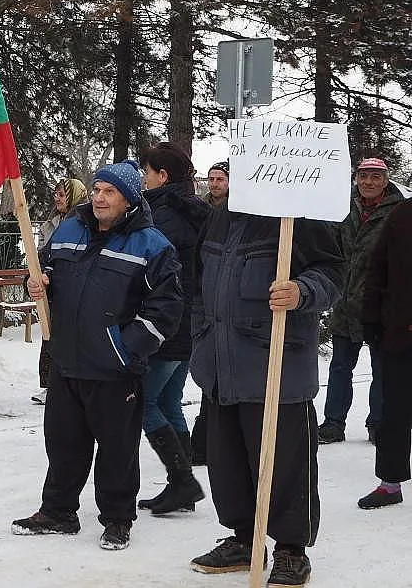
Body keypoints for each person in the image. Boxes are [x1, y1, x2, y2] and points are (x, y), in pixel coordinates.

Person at [12, 160, 183, 551]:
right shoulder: (71, 227)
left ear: (128, 198)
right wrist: (35, 281)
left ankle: (118, 518)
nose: (99, 198)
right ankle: (58, 511)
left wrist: (124, 348)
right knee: (63, 442)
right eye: (96, 190)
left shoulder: (152, 244)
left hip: (115, 369)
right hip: (67, 360)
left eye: (109, 191)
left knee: (117, 449)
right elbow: (44, 268)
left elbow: (167, 309)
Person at [188, 203, 343, 585]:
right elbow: (198, 280)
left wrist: (303, 291)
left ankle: (291, 550)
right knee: (228, 462)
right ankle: (244, 540)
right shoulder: (221, 215)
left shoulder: (298, 211)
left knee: (286, 465)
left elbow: (333, 271)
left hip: (277, 364)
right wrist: (199, 335)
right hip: (220, 363)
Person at [136, 143, 211, 514]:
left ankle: (182, 481)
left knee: (143, 403)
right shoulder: (199, 211)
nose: (142, 178)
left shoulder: (162, 215)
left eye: (146, 172)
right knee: (168, 402)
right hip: (191, 321)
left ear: (162, 177)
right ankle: (180, 484)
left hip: (167, 324)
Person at [318, 157, 404, 445]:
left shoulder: (399, 211)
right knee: (340, 365)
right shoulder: (342, 208)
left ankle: (378, 423)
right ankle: (333, 423)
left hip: (381, 303)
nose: (368, 182)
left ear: (385, 180)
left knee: (381, 366)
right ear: (356, 178)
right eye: (363, 176)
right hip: (344, 301)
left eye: (375, 177)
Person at [356, 196, 412, 510]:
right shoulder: (402, 215)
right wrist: (371, 318)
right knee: (394, 412)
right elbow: (377, 269)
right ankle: (390, 483)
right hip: (400, 331)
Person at [189, 160, 231, 466]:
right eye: (212, 178)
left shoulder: (235, 212)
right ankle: (202, 444)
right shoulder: (203, 210)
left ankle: (206, 443)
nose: (214, 183)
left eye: (220, 179)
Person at [33, 177, 88, 405]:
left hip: (70, 293)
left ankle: (59, 384)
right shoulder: (54, 222)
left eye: (62, 194)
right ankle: (48, 384)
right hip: (51, 287)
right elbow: (44, 254)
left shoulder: (83, 223)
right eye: (56, 194)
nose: (57, 198)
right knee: (49, 337)